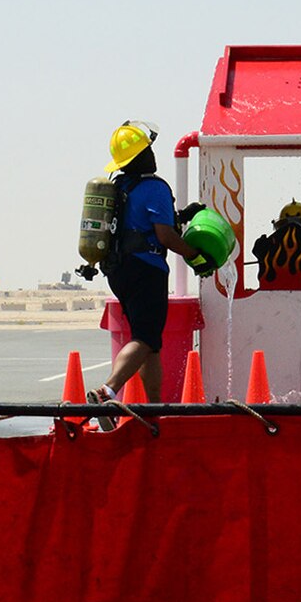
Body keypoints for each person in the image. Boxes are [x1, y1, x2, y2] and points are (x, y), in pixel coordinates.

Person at [89, 122, 208, 406]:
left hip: (118, 270)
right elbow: (164, 235)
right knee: (143, 337)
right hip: (146, 271)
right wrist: (195, 255)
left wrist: (181, 214)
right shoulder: (154, 187)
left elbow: (138, 225)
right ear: (142, 156)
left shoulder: (120, 187)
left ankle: (155, 407)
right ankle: (107, 392)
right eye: (148, 149)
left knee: (152, 345)